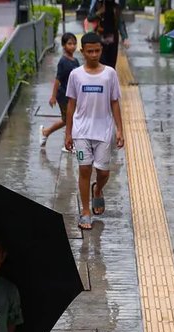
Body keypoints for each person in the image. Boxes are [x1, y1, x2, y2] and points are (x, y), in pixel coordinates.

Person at [65, 31, 124, 230]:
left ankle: (97, 189)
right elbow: (71, 105)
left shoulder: (110, 74)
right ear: (83, 51)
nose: (93, 54)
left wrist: (119, 130)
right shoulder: (75, 75)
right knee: (84, 169)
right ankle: (85, 212)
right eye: (89, 51)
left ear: (101, 50)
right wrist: (68, 133)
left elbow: (115, 102)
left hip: (104, 131)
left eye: (97, 51)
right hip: (81, 132)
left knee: (104, 172)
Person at [39, 32, 79, 152]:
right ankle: (68, 144)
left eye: (74, 43)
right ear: (63, 45)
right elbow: (57, 80)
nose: (72, 46)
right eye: (69, 44)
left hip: (73, 96)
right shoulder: (63, 61)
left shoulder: (75, 61)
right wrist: (53, 96)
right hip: (63, 96)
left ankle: (46, 132)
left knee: (66, 120)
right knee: (69, 119)